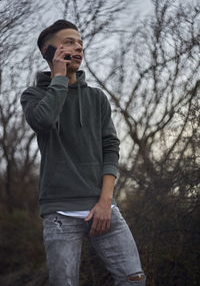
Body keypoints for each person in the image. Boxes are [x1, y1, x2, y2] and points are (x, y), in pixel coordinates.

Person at [21, 19, 146, 286]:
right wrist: (58, 79)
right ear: (48, 52)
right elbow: (43, 121)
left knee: (134, 279)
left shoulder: (96, 98)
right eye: (69, 42)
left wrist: (105, 202)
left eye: (80, 43)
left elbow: (111, 148)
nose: (78, 47)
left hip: (103, 208)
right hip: (59, 215)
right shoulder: (32, 96)